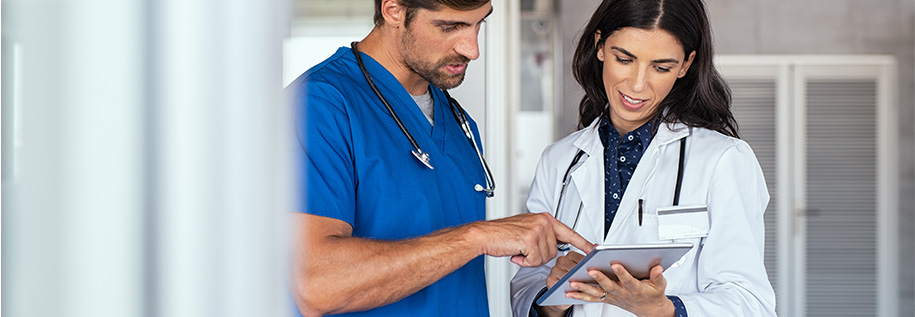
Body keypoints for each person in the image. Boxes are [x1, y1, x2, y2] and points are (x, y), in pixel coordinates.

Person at [286, 0, 594, 316]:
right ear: (393, 10)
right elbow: (316, 285)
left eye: (479, 24)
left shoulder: (459, 122)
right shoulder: (318, 105)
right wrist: (477, 237)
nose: (472, 49)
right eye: (449, 27)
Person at [510, 0, 777, 316]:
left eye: (661, 67)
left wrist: (664, 310)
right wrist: (552, 299)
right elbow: (525, 289)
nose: (637, 85)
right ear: (599, 46)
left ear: (685, 65)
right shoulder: (559, 161)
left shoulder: (724, 160)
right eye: (624, 59)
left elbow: (750, 303)